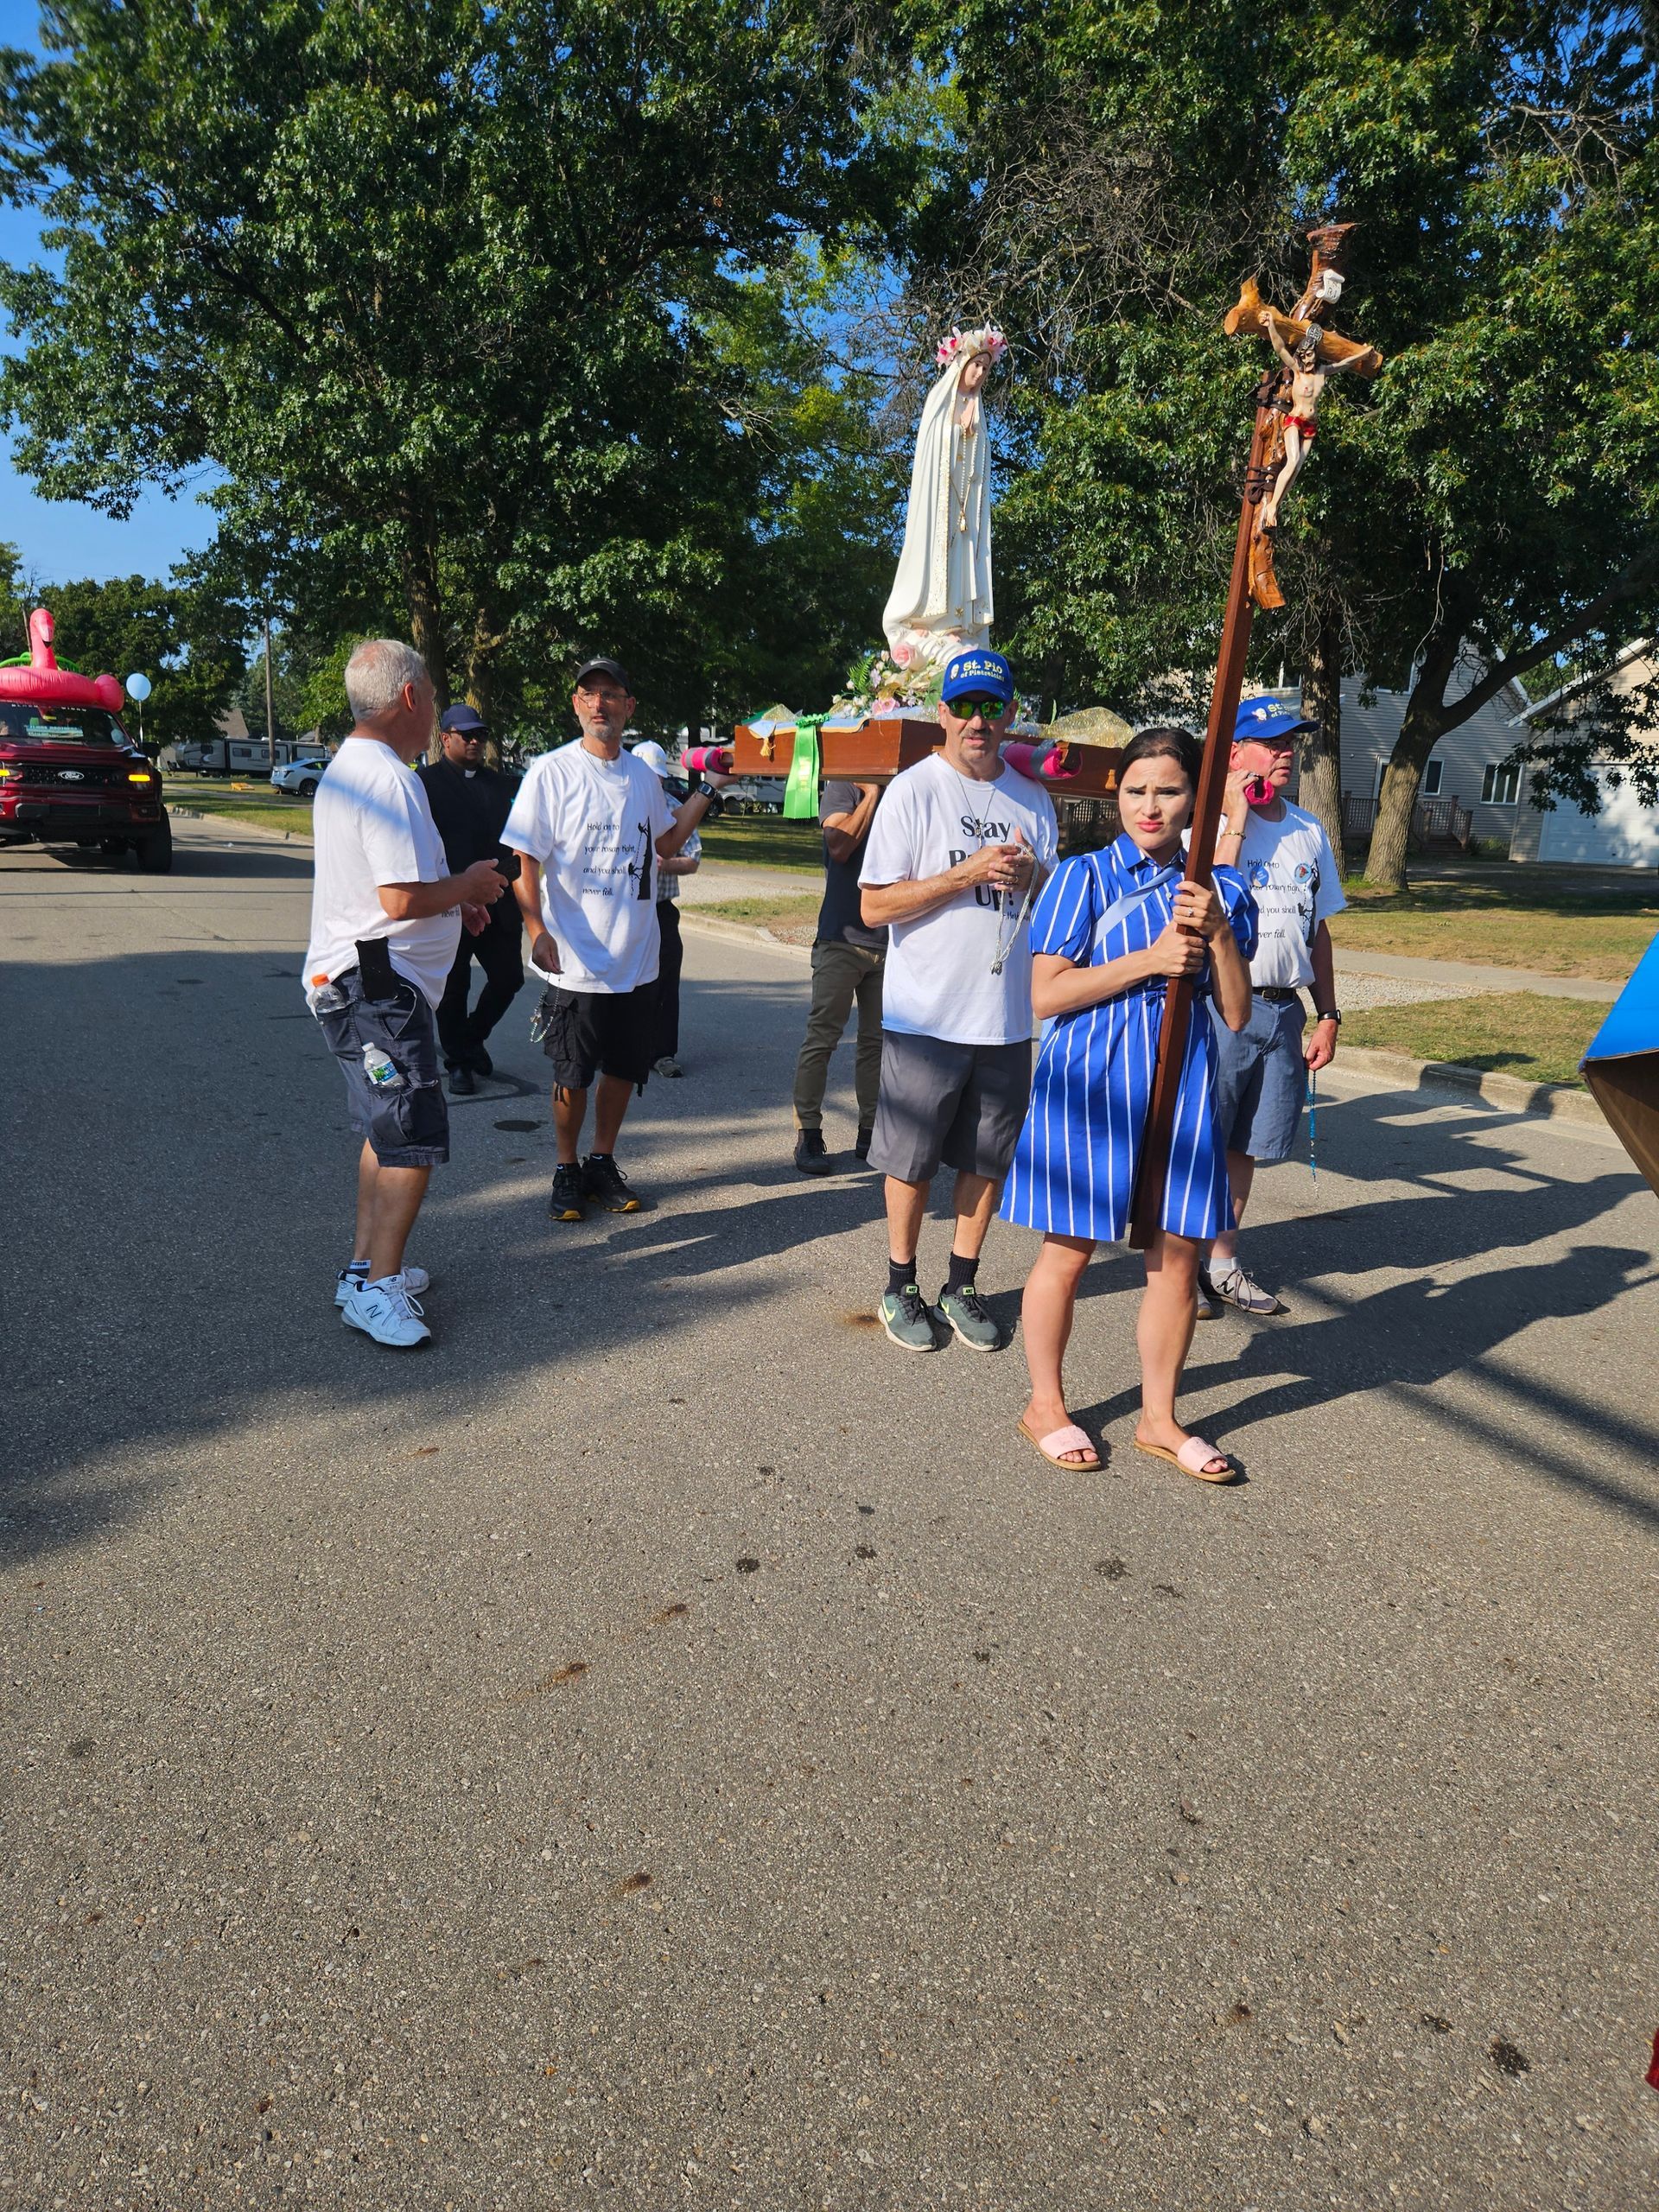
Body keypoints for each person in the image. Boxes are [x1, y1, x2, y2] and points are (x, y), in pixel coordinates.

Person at [1002, 727, 1256, 1476]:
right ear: (1117, 795)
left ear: (1195, 800)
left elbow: (1237, 1013)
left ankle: (1158, 1419)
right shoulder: (1082, 878)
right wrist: (1146, 960)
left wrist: (1216, 937)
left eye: (1169, 790)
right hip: (1087, 1085)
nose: (1150, 806)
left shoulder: (1222, 888)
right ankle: (1044, 1404)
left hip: (1180, 1087)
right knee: (1068, 1251)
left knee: (1177, 1260)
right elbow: (1045, 995)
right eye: (1136, 790)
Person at [303, 640, 507, 1348]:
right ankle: (378, 1288)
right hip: (377, 990)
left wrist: (456, 904)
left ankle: (365, 1271)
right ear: (413, 697)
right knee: (412, 1133)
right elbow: (394, 897)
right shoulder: (389, 778)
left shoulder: (352, 768)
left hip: (370, 985)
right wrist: (471, 887)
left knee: (384, 1130)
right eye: (432, 691)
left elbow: (391, 887)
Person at [858, 646, 1058, 1353]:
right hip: (926, 1016)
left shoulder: (1034, 799)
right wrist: (964, 873)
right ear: (942, 713)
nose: (979, 720)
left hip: (1005, 1018)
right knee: (910, 1160)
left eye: (993, 706)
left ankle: (962, 1282)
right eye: (965, 706)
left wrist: (1034, 877)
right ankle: (900, 1282)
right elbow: (876, 907)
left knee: (985, 1161)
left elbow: (1051, 904)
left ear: (1011, 714)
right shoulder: (915, 791)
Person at [502, 658, 728, 1221]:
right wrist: (536, 930)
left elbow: (669, 839)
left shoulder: (643, 777)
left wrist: (710, 787)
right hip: (575, 956)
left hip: (637, 957)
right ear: (576, 705)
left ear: (629, 707)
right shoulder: (551, 773)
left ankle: (601, 1160)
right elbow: (523, 862)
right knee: (571, 1073)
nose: (599, 703)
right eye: (589, 694)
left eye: (611, 694)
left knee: (625, 1069)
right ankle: (565, 1167)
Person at [1201, 697, 1346, 1316]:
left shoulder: (1309, 831)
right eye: (1270, 741)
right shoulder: (1208, 825)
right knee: (1200, 1139)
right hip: (1219, 1008)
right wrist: (1233, 811)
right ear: (1235, 753)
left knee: (1247, 1146)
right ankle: (1180, 1264)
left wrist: (1329, 1013)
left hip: (1284, 1009)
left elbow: (1318, 930)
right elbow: (1204, 899)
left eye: (1291, 741)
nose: (1286, 751)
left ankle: (1223, 1264)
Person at [417, 702, 524, 1095]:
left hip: (499, 900)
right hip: (451, 901)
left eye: (481, 734)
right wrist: (448, 892)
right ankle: (459, 1061)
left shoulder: (502, 785)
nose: (476, 741)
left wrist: (511, 878)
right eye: (467, 735)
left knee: (509, 978)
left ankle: (473, 1037)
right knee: (453, 988)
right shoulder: (424, 784)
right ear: (445, 738)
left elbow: (519, 843)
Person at [791, 779, 887, 1174]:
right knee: (822, 1039)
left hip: (892, 943)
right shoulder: (845, 786)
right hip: (841, 939)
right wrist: (873, 794)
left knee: (878, 1045)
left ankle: (871, 1132)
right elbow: (839, 846)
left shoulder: (912, 788)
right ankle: (809, 1133)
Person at [630, 739, 698, 1078]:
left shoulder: (674, 809)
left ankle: (662, 1053)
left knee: (666, 980)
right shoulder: (620, 804)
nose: (650, 783)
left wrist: (665, 863)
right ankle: (616, 1047)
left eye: (655, 777)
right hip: (624, 910)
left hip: (660, 909)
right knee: (621, 982)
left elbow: (694, 860)